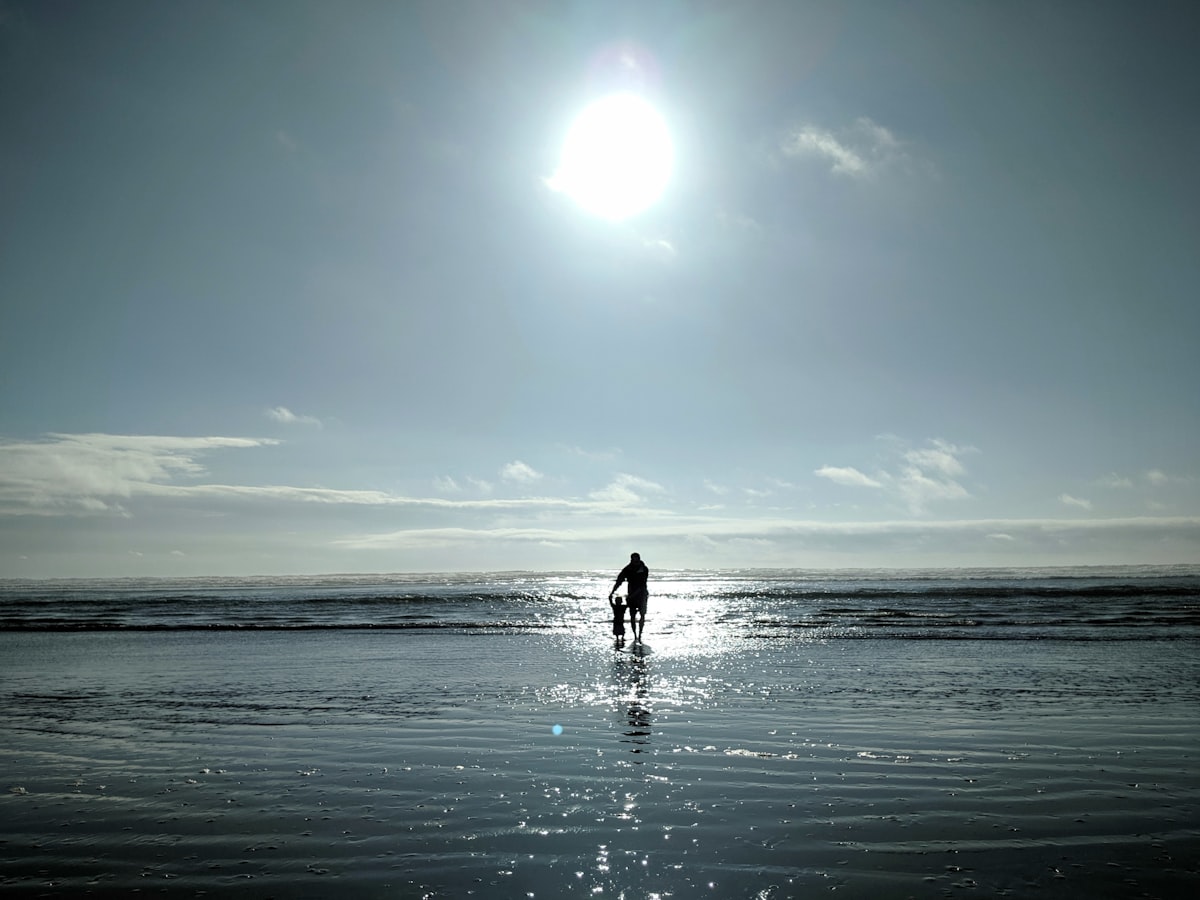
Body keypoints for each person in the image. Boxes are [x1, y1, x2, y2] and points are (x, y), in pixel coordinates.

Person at [609, 552, 649, 642]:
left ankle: (640, 634)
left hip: (642, 594)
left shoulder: (644, 569)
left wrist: (632, 595)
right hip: (631, 595)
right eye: (634, 559)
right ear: (631, 559)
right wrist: (613, 591)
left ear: (639, 559)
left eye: (637, 559)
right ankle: (635, 634)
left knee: (642, 615)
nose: (635, 561)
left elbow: (642, 584)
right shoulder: (627, 569)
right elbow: (619, 580)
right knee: (632, 616)